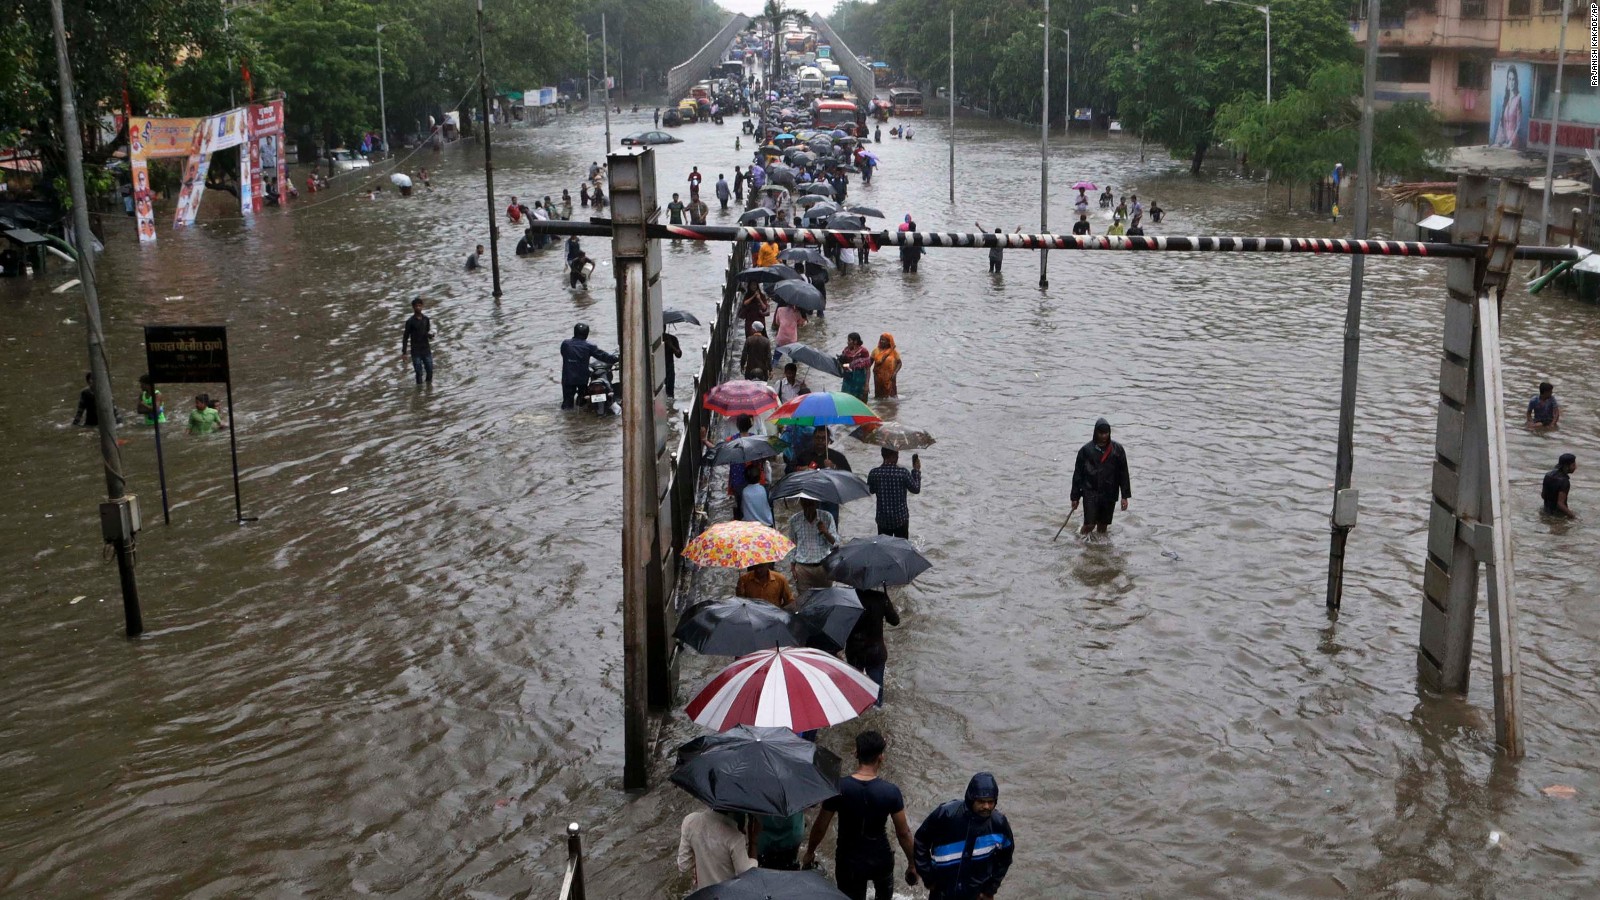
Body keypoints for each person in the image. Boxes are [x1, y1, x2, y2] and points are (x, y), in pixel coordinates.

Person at [803, 731, 919, 900]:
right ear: (881, 757)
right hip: (881, 859)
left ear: (856, 753)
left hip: (848, 861)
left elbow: (821, 826)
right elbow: (903, 833)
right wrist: (912, 863)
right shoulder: (891, 792)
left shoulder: (839, 788)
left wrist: (810, 851)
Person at [913, 773, 1015, 900]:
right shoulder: (946, 814)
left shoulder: (999, 824)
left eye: (990, 802)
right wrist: (928, 877)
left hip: (976, 894)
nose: (986, 806)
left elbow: (1005, 858)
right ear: (971, 799)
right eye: (981, 802)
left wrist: (990, 889)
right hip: (942, 891)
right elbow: (920, 841)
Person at [1070, 418, 1132, 534]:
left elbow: (1123, 473)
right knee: (1089, 524)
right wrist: (1075, 497)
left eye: (1106, 433)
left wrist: (1125, 496)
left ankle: (1099, 549)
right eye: (1101, 433)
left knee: (1103, 526)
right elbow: (1078, 474)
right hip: (1090, 492)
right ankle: (1080, 542)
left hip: (1109, 492)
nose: (1104, 436)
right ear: (1095, 433)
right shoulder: (1085, 450)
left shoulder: (1117, 450)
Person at [678, 809, 757, 891]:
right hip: (726, 894)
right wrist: (753, 842)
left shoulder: (690, 821)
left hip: (702, 893)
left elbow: (684, 866)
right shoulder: (735, 838)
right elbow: (747, 876)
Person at [847, 588, 900, 706]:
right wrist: (886, 602)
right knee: (877, 690)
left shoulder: (848, 598)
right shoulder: (881, 598)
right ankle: (877, 708)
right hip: (875, 651)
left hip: (854, 650)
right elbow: (895, 621)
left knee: (855, 688)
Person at [559, 323, 617, 409]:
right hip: (582, 378)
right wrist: (615, 358)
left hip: (568, 378)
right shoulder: (589, 346)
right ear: (587, 334)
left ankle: (569, 420)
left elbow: (564, 354)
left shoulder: (565, 344)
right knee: (583, 402)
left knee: (567, 405)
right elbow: (603, 356)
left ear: (574, 332)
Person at [868, 448, 921, 538]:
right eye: (897, 454)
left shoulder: (874, 473)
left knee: (884, 549)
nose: (898, 457)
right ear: (893, 456)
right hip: (900, 519)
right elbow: (916, 489)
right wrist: (916, 470)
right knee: (902, 549)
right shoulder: (903, 473)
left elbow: (870, 490)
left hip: (882, 519)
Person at [788, 498, 838, 592]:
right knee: (804, 601)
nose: (808, 507)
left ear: (817, 503)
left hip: (823, 568)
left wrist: (825, 532)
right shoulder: (794, 520)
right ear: (801, 503)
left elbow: (835, 544)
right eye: (805, 503)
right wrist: (792, 567)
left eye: (811, 503)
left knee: (825, 600)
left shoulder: (827, 517)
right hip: (802, 569)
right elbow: (792, 545)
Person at [1493, 65, 1525, 149]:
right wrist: (1499, 141)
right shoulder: (1506, 99)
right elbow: (1501, 123)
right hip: (1503, 140)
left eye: (1513, 79)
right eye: (1509, 79)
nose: (1511, 82)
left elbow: (1518, 124)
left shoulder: (1518, 98)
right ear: (1507, 81)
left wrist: (1510, 142)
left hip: (1512, 142)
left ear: (1516, 81)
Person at [1543, 453, 1577, 518]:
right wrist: (1573, 517)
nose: (1575, 467)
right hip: (1558, 516)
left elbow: (1543, 495)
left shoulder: (1548, 475)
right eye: (1573, 465)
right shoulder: (1564, 481)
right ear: (1566, 467)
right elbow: (1560, 504)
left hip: (1546, 512)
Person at [840, 333, 871, 402]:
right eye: (847, 340)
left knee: (860, 400)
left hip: (859, 379)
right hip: (848, 379)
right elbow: (845, 365)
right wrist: (842, 363)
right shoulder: (846, 350)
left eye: (849, 340)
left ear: (855, 341)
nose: (847, 342)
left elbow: (868, 369)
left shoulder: (863, 352)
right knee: (846, 399)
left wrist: (866, 384)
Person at [871, 334, 901, 399]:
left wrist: (895, 373)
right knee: (879, 397)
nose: (881, 341)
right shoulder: (876, 351)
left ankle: (891, 407)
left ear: (888, 342)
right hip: (878, 377)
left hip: (890, 376)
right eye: (880, 339)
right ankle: (880, 407)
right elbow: (869, 363)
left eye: (883, 340)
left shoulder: (893, 352)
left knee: (892, 397)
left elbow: (899, 363)